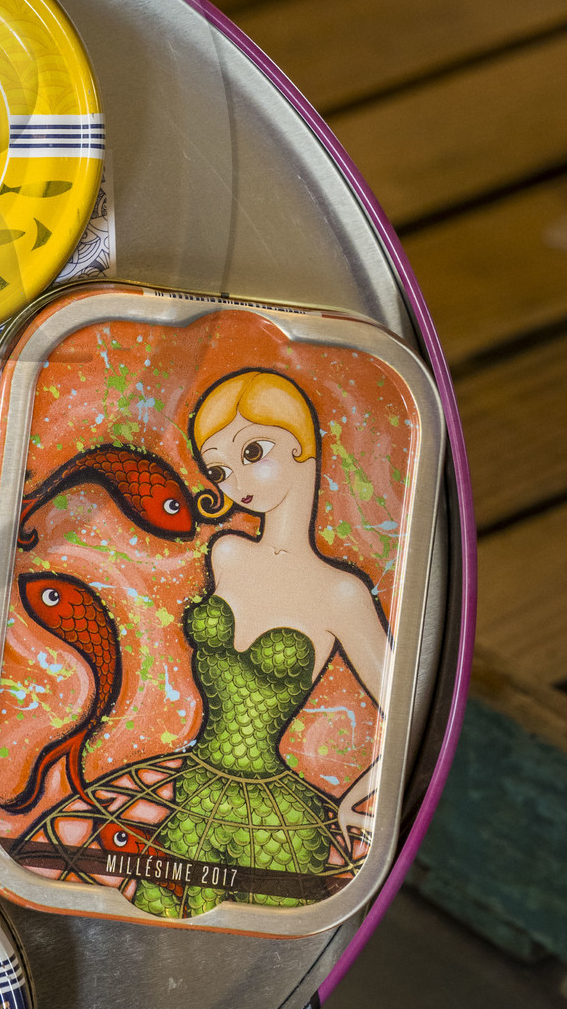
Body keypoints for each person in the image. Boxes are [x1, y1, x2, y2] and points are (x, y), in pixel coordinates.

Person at [132, 368, 391, 920]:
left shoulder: (341, 593)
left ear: (302, 445)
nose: (234, 483)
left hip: (275, 824)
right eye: (219, 469)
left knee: (249, 940)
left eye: (254, 450)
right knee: (158, 912)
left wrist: (355, 798)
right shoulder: (227, 553)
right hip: (198, 788)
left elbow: (405, 712)